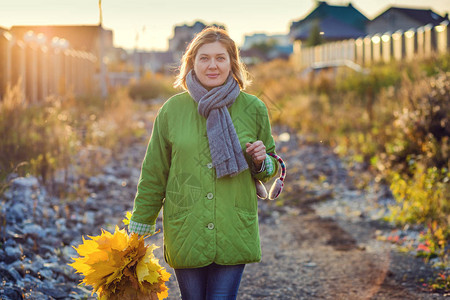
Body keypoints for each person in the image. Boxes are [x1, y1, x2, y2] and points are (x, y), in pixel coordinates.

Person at [129, 26, 279, 300]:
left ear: (232, 63)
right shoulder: (172, 111)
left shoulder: (253, 108)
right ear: (191, 63)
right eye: (204, 58)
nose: (213, 65)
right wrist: (141, 223)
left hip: (233, 226)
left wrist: (261, 161)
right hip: (186, 227)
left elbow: (272, 168)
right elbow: (154, 172)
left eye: (220, 58)